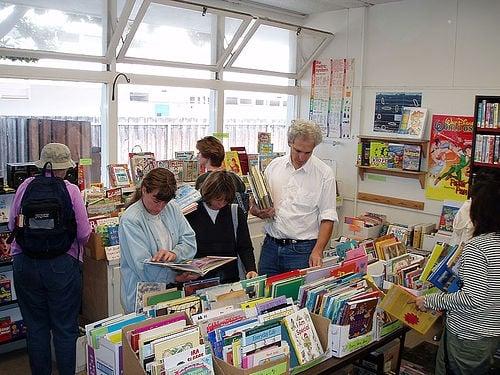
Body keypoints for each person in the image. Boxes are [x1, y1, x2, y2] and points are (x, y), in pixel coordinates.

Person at [8, 143, 91, 375]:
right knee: (65, 328)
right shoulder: (71, 190)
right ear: (65, 168)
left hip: (25, 263)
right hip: (62, 265)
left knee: (36, 328)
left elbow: (13, 223)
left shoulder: (25, 186)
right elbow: (84, 233)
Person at [416, 176, 500, 375]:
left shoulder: (477, 247)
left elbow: (472, 298)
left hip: (468, 332)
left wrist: (431, 300)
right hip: (492, 329)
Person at [251, 119, 338, 276]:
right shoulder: (274, 166)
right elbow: (255, 204)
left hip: (302, 250)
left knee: (296, 299)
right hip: (270, 246)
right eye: (298, 150)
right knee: (265, 297)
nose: (302, 157)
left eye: (308, 152)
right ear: (290, 142)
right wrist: (258, 211)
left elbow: (328, 217)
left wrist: (318, 251)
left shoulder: (324, 174)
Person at [119, 168, 196, 313]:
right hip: (144, 293)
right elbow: (142, 266)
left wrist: (175, 254)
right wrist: (175, 277)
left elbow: (189, 241)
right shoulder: (131, 219)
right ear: (144, 190)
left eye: (165, 202)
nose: (160, 207)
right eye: (156, 201)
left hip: (173, 289)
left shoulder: (172, 207)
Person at [185, 171, 257, 283]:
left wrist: (251, 269)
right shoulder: (191, 213)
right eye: (218, 199)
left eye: (226, 200)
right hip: (198, 280)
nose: (221, 204)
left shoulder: (234, 212)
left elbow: (245, 246)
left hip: (230, 278)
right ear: (209, 193)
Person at [194, 136, 247, 210]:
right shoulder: (235, 177)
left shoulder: (203, 179)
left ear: (207, 156)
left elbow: (199, 207)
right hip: (233, 218)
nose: (197, 155)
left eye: (199, 152)